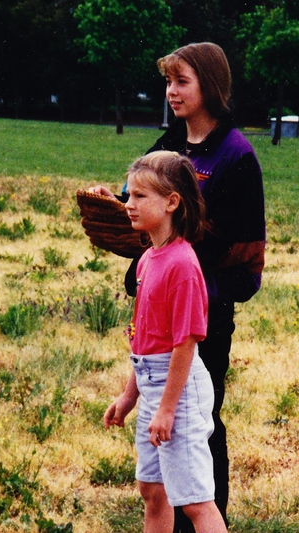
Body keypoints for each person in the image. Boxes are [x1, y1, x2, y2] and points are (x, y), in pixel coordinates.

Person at [91, 42, 266, 530]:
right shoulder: (168, 143)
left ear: (210, 86)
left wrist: (193, 279)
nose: (171, 91)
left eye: (181, 81)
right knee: (163, 444)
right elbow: (140, 201)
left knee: (196, 426)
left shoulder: (236, 155)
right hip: (157, 309)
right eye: (168, 81)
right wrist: (116, 205)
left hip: (202, 311)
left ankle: (206, 519)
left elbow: (246, 258)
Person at [103, 151, 226, 533]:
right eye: (128, 195)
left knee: (194, 501)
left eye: (140, 196)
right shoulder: (147, 260)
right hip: (153, 386)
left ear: (172, 202)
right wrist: (129, 396)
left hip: (180, 394)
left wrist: (168, 411)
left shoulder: (183, 265)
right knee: (152, 490)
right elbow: (143, 341)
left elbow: (184, 344)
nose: (129, 204)